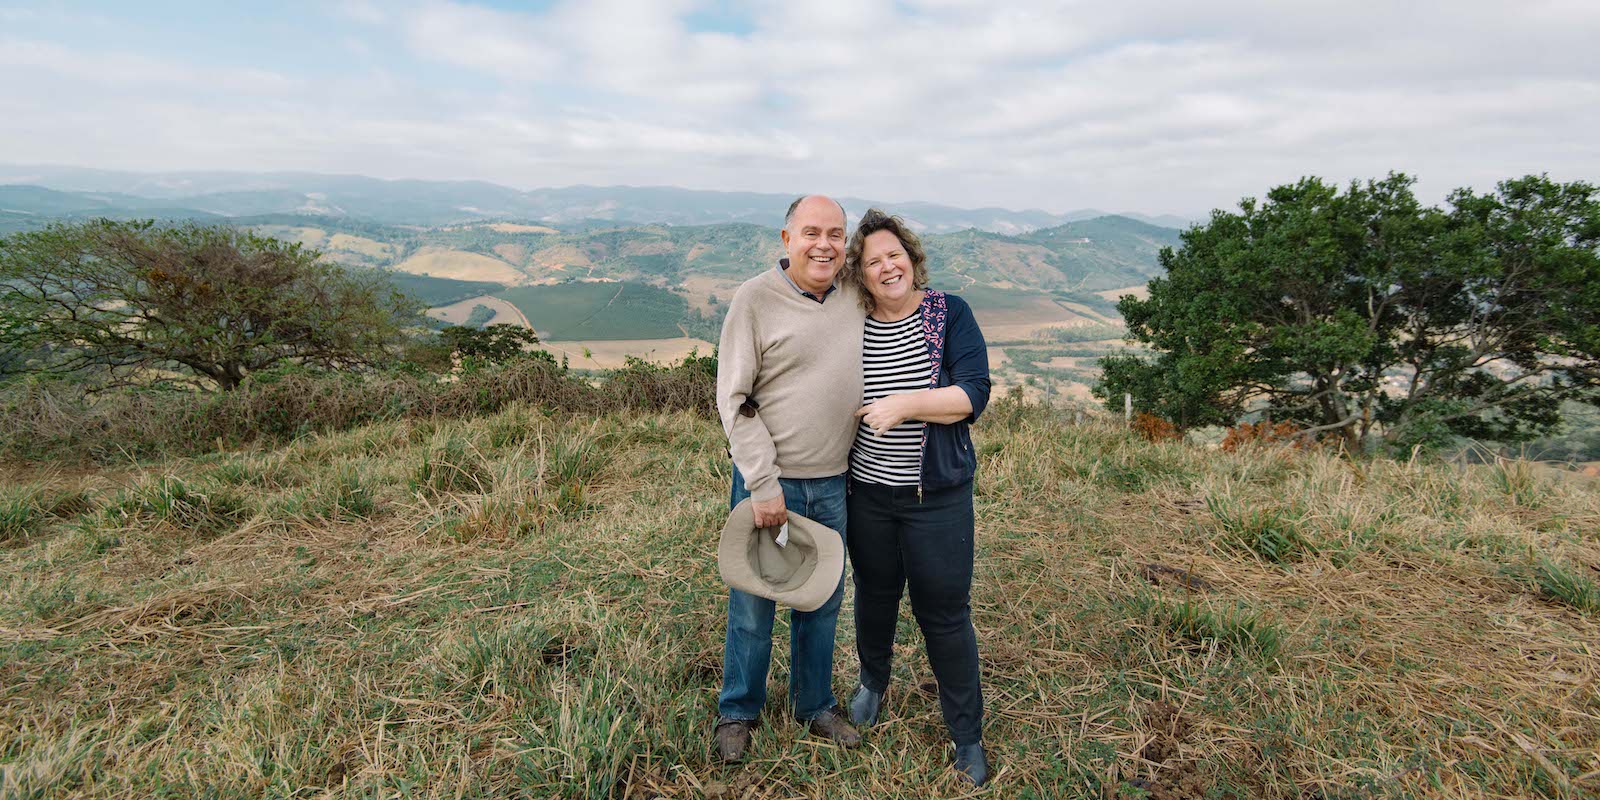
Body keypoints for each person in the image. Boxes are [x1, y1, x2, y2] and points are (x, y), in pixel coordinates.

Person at [839, 208, 993, 785]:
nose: (887, 266)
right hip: (868, 494)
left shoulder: (948, 314)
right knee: (874, 595)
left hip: (938, 496)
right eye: (873, 260)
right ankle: (872, 684)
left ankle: (966, 735)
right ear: (862, 272)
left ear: (911, 258)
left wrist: (904, 404)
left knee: (944, 613)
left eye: (894, 254)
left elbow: (972, 394)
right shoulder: (851, 321)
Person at [712, 195, 865, 762]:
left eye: (835, 233)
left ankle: (815, 705)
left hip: (834, 481)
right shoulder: (755, 300)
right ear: (786, 239)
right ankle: (738, 712)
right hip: (771, 482)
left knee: (821, 599)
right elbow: (735, 398)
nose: (823, 244)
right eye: (810, 233)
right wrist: (763, 483)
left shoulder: (853, 294)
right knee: (755, 600)